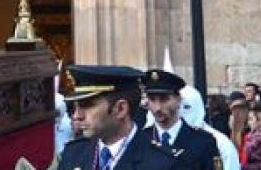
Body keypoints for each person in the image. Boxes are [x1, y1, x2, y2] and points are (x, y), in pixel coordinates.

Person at [53, 65, 182, 169]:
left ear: (120, 109)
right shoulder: (74, 154)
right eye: (75, 107)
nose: (77, 116)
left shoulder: (165, 163)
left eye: (87, 105)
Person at [141, 69, 221, 169]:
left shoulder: (203, 141)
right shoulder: (141, 140)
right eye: (152, 100)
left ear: (178, 99)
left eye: (164, 99)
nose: (158, 108)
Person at [179, 86, 242, 170]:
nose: (181, 113)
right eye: (177, 107)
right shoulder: (165, 139)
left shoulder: (220, 143)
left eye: (186, 107)